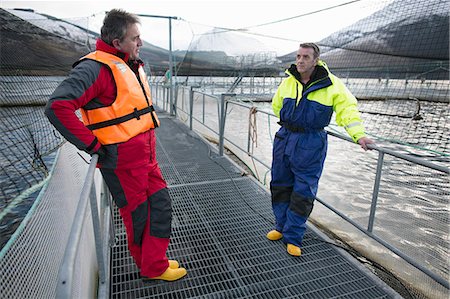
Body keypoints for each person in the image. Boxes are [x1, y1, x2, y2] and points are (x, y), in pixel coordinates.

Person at [45, 9, 187, 281]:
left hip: (146, 157)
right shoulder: (95, 69)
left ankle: (154, 261)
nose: (140, 43)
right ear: (116, 43)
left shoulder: (128, 64)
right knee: (139, 217)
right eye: (135, 38)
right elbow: (58, 106)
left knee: (161, 205)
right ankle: (151, 269)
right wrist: (91, 144)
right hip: (122, 162)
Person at [267, 43, 374, 256]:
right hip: (285, 138)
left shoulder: (332, 84)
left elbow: (348, 110)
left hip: (310, 142)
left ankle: (293, 236)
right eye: (298, 56)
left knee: (303, 191)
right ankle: (281, 226)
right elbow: (276, 106)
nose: (300, 60)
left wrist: (359, 134)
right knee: (279, 184)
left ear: (316, 60)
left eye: (305, 57)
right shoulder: (288, 81)